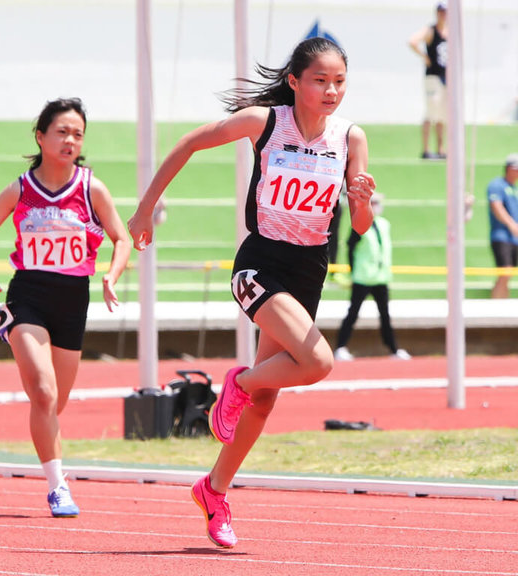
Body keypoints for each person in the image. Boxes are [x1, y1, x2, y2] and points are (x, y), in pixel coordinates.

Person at [128, 37, 375, 548]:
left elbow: (362, 226)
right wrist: (146, 206)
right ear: (294, 82)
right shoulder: (264, 122)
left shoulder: (351, 138)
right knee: (319, 362)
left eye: (340, 82)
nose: (331, 91)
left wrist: (363, 202)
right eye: (320, 80)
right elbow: (190, 142)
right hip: (260, 266)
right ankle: (236, 385)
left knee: (264, 402)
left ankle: (212, 491)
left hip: (310, 273)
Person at [0, 97, 130, 518]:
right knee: (42, 390)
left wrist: (111, 274)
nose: (70, 140)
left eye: (77, 134)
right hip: (28, 298)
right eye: (61, 131)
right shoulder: (21, 189)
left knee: (54, 402)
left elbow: (123, 237)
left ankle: (49, 451)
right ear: (40, 137)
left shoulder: (91, 187)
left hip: (74, 299)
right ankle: (58, 487)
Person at [334, 193, 411, 361]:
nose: (377, 206)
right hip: (363, 277)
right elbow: (350, 248)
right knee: (353, 313)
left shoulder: (384, 224)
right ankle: (340, 347)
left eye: (377, 202)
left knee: (385, 315)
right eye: (374, 203)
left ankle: (393, 349)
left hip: (381, 277)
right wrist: (353, 271)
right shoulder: (360, 225)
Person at [408, 1, 448, 160]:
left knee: (442, 114)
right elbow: (412, 41)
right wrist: (424, 56)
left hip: (445, 77)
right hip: (433, 76)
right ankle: (426, 149)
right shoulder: (430, 30)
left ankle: (440, 148)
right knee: (431, 112)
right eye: (441, 12)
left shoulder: (449, 32)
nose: (443, 15)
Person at [487, 154, 518, 299]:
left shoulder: (513, 188)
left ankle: (503, 304)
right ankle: (496, 306)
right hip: (502, 236)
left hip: (514, 238)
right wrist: (511, 224)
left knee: (509, 273)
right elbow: (496, 207)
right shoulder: (497, 185)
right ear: (509, 169)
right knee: (504, 272)